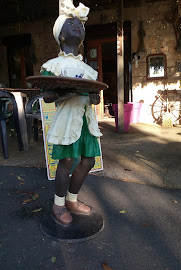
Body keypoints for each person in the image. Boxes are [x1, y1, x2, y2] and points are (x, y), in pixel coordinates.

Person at [40, 0, 102, 225]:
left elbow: (94, 96)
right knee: (66, 160)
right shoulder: (54, 65)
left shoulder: (88, 70)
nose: (78, 25)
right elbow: (47, 96)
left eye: (81, 24)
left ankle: (72, 200)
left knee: (88, 161)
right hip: (67, 119)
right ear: (60, 35)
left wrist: (94, 96)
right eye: (71, 23)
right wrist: (66, 92)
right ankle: (58, 205)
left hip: (85, 119)